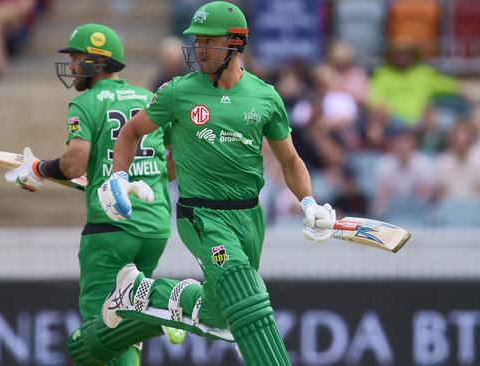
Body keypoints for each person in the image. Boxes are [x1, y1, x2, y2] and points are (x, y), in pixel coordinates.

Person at [91, 2, 334, 366]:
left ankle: (141, 291)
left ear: (235, 43)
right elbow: (131, 132)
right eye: (196, 41)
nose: (199, 50)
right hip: (201, 216)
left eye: (208, 41)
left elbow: (290, 160)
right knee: (242, 287)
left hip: (250, 219)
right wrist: (118, 177)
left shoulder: (265, 97)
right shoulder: (178, 91)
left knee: (221, 316)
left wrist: (310, 203)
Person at [3, 23, 181, 365]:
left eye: (76, 57)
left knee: (97, 332)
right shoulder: (149, 99)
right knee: (127, 315)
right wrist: (148, 178)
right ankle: (155, 312)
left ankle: (166, 311)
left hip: (111, 232)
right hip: (156, 226)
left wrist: (38, 169)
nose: (70, 66)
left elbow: (74, 163)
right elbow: (178, 162)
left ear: (98, 62)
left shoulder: (84, 103)